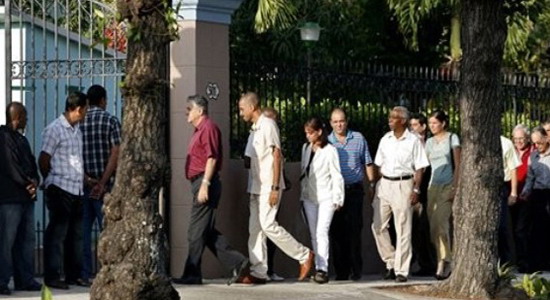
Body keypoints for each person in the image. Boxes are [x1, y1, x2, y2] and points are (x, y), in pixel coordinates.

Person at [238, 92, 314, 284]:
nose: (240, 113)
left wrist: (274, 187)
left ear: (252, 107)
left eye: (241, 109)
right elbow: (248, 159)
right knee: (254, 229)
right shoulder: (254, 129)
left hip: (268, 186)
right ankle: (259, 271)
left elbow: (277, 155)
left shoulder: (268, 125)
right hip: (255, 186)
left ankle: (303, 255)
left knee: (268, 225)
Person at [174, 95, 249, 285]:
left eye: (189, 109)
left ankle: (192, 273)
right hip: (199, 182)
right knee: (204, 232)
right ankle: (238, 262)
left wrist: (205, 184)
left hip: (204, 182)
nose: (186, 113)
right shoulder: (200, 129)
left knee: (195, 231)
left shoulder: (208, 128)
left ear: (199, 111)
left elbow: (212, 158)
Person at [371, 106, 429, 283]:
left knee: (403, 228)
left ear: (403, 120)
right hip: (385, 184)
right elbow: (378, 163)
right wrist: (374, 184)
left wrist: (416, 189)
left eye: (394, 117)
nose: (390, 120)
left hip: (404, 183)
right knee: (378, 225)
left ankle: (401, 270)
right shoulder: (385, 139)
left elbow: (420, 167)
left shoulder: (413, 141)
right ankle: (391, 261)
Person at [39, 92, 88, 290]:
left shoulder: (77, 130)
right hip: (60, 187)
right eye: (85, 109)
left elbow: (75, 159)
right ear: (76, 109)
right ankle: (52, 275)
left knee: (75, 234)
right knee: (57, 233)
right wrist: (50, 179)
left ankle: (72, 275)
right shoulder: (55, 129)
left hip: (76, 188)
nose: (86, 113)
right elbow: (43, 158)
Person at [80, 85, 121, 284]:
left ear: (87, 101)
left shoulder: (80, 121)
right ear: (103, 100)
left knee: (83, 232)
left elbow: (73, 153)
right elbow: (116, 152)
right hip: (105, 185)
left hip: (82, 184)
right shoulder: (111, 120)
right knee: (108, 229)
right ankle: (107, 271)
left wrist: (86, 179)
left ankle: (84, 272)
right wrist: (103, 182)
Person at [328, 108, 375, 281]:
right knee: (337, 231)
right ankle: (341, 272)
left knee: (354, 230)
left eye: (341, 121)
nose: (339, 125)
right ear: (331, 123)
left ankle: (356, 270)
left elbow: (368, 162)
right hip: (335, 192)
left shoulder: (358, 138)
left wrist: (371, 184)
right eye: (335, 122)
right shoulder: (327, 142)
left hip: (355, 190)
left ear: (346, 121)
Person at [0, 102, 42, 295]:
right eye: (24, 115)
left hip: (26, 198)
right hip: (10, 198)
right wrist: (27, 183)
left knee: (27, 240)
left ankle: (25, 279)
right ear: (16, 117)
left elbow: (31, 163)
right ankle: (2, 280)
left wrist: (35, 181)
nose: (26, 118)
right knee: (6, 241)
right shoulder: (3, 137)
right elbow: (10, 165)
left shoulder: (22, 140)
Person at [300, 117, 344, 284]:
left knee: (321, 231)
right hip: (309, 196)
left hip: (326, 196)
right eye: (306, 133)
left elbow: (336, 174)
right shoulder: (306, 148)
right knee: (313, 234)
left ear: (319, 132)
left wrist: (338, 197)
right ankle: (318, 264)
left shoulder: (329, 150)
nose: (308, 136)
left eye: (310, 133)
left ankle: (322, 269)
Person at [425, 110, 461, 280]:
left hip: (447, 184)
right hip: (432, 186)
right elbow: (423, 164)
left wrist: (455, 186)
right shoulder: (429, 142)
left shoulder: (452, 138)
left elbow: (458, 163)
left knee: (441, 222)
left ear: (443, 123)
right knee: (433, 226)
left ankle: (445, 261)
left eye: (435, 123)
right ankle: (442, 257)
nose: (432, 126)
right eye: (430, 123)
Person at [408, 113, 436, 276]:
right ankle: (417, 261)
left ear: (423, 126)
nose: (413, 129)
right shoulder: (410, 143)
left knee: (426, 228)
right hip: (413, 188)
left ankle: (428, 262)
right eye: (411, 126)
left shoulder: (430, 143)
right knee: (415, 227)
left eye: (416, 125)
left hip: (429, 188)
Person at [520, 126, 550, 272]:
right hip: (538, 194)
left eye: (539, 142)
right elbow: (530, 178)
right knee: (537, 230)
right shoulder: (534, 156)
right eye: (534, 143)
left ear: (546, 138)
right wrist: (525, 192)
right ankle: (535, 264)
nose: (537, 146)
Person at [261, 107, 285, 282]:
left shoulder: (273, 135)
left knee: (271, 227)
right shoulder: (257, 134)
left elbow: (278, 159)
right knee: (262, 230)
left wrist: (276, 187)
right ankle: (262, 269)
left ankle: (270, 269)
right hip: (261, 188)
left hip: (272, 188)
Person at [510, 124, 533, 272]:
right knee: (511, 230)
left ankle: (524, 261)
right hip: (511, 196)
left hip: (526, 196)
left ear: (527, 138)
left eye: (522, 138)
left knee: (521, 230)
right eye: (516, 138)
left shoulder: (532, 152)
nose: (518, 141)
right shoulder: (510, 151)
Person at [499, 135, 521, 266]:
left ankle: (506, 261)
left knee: (503, 225)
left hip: (502, 184)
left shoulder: (506, 143)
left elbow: (513, 168)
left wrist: (513, 192)